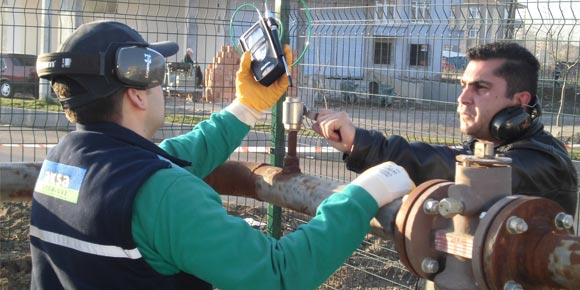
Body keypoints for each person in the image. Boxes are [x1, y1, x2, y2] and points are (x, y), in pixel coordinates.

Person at [30, 20, 415, 290]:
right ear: (136, 93)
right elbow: (278, 274)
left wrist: (246, 107)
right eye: (160, 75)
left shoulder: (64, 162)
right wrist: (361, 195)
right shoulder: (163, 195)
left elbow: (170, 157)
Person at [312, 42, 578, 215]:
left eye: (480, 88)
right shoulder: (486, 146)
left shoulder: (544, 162)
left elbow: (454, 170)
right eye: (463, 86)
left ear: (520, 101)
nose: (463, 98)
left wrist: (362, 143)